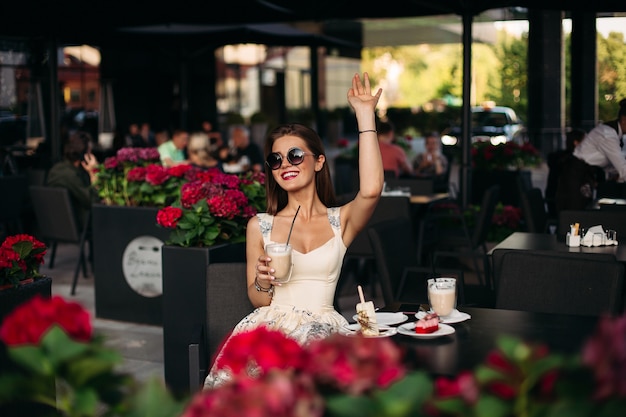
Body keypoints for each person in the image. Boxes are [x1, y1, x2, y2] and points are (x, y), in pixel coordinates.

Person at [204, 72, 384, 388]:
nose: (286, 164)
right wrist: (261, 281)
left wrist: (365, 116)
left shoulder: (339, 221)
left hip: (322, 331)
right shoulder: (259, 226)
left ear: (318, 162)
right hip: (268, 330)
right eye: (276, 159)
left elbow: (370, 190)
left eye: (295, 155)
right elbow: (258, 300)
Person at [555, 99, 626, 213]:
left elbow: (612, 165)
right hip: (575, 175)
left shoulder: (613, 133)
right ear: (624, 120)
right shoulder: (607, 134)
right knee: (574, 217)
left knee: (583, 215)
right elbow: (623, 168)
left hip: (583, 174)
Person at [46, 131, 99, 228]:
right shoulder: (71, 175)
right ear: (84, 154)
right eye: (89, 151)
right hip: (79, 224)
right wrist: (93, 173)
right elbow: (93, 201)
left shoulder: (55, 169)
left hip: (55, 225)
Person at [545, 128, 585, 217]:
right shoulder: (572, 163)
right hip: (563, 206)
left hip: (556, 203)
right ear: (576, 143)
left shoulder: (561, 159)